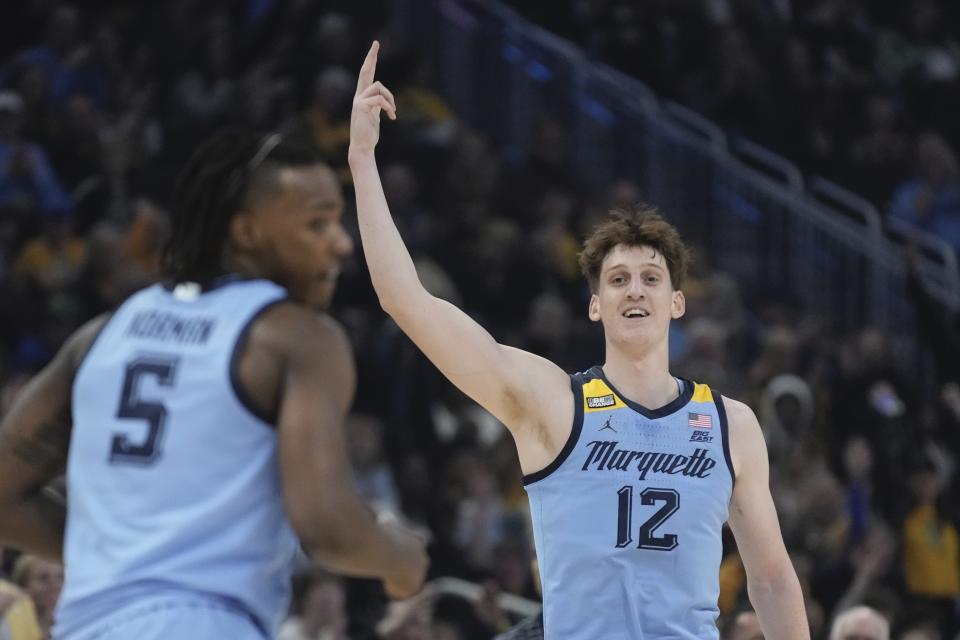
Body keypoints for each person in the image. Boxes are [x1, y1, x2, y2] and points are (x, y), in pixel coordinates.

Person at [348, 41, 807, 639]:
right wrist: (362, 160)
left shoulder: (731, 424)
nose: (634, 291)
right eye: (617, 280)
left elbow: (770, 578)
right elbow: (406, 302)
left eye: (650, 278)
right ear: (596, 305)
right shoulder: (553, 403)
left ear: (677, 303)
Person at [0, 129, 428, 640]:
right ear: (245, 233)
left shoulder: (103, 333)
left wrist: (125, 548)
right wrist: (403, 558)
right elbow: (327, 528)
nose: (341, 244)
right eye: (318, 224)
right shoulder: (295, 338)